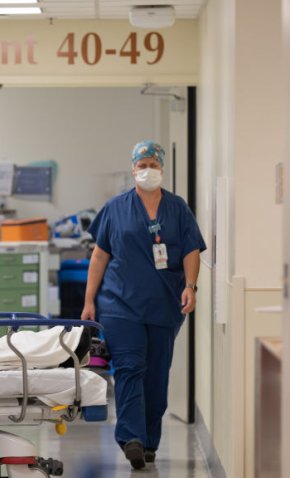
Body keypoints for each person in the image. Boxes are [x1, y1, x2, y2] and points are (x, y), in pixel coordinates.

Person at [80, 140, 206, 470]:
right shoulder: (115, 208)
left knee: (156, 376)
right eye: (140, 165)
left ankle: (149, 441)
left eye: (152, 163)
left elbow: (192, 250)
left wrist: (190, 286)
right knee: (128, 368)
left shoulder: (178, 208)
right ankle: (131, 438)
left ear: (162, 168)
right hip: (120, 304)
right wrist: (89, 299)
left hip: (165, 305)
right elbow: (99, 254)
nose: (146, 169)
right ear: (132, 168)